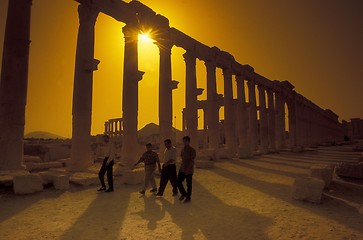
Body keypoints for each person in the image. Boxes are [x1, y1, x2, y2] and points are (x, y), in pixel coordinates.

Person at [178, 136, 196, 203]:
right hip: (182, 168)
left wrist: (188, 170)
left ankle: (188, 197)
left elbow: (192, 161)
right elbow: (182, 158)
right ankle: (183, 194)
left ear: (188, 141)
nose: (184, 142)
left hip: (189, 169)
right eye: (184, 141)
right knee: (178, 182)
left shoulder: (192, 150)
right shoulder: (182, 149)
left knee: (188, 184)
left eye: (186, 141)